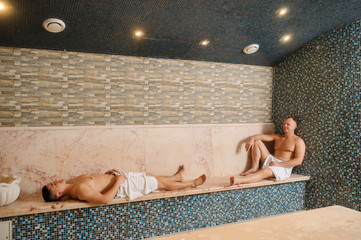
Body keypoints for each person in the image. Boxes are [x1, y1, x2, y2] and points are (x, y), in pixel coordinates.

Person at [42, 165, 206, 204]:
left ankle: (177, 176)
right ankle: (191, 184)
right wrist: (118, 182)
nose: (55, 181)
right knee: (158, 183)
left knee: (151, 177)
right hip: (124, 185)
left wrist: (108, 175)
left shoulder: (73, 183)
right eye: (53, 185)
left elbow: (97, 182)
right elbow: (105, 199)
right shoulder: (79, 190)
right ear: (58, 194)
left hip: (120, 179)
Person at [230, 117, 305, 185]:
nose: (285, 126)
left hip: (283, 167)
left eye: (288, 124)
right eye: (284, 124)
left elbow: (298, 161)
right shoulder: (278, 137)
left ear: (294, 127)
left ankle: (238, 180)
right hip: (272, 161)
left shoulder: (298, 141)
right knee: (257, 141)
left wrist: (279, 164)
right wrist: (252, 138)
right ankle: (255, 167)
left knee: (263, 172)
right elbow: (261, 137)